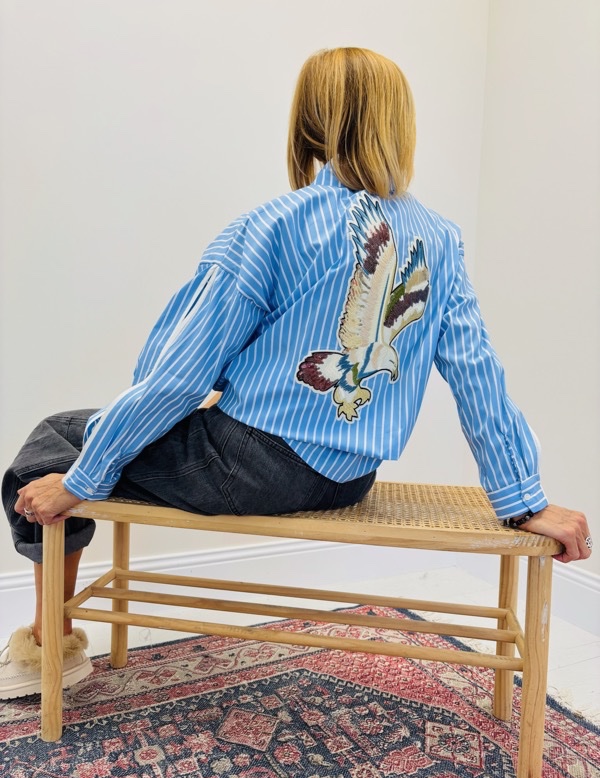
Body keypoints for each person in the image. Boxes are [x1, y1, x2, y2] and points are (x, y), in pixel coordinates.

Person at [0, 47, 592, 700]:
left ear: (310, 120)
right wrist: (524, 500)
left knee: (52, 443)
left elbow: (180, 376)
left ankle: (48, 643)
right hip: (348, 479)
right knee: (112, 436)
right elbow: (477, 373)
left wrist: (82, 479)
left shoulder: (273, 226)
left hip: (248, 466)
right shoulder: (441, 239)